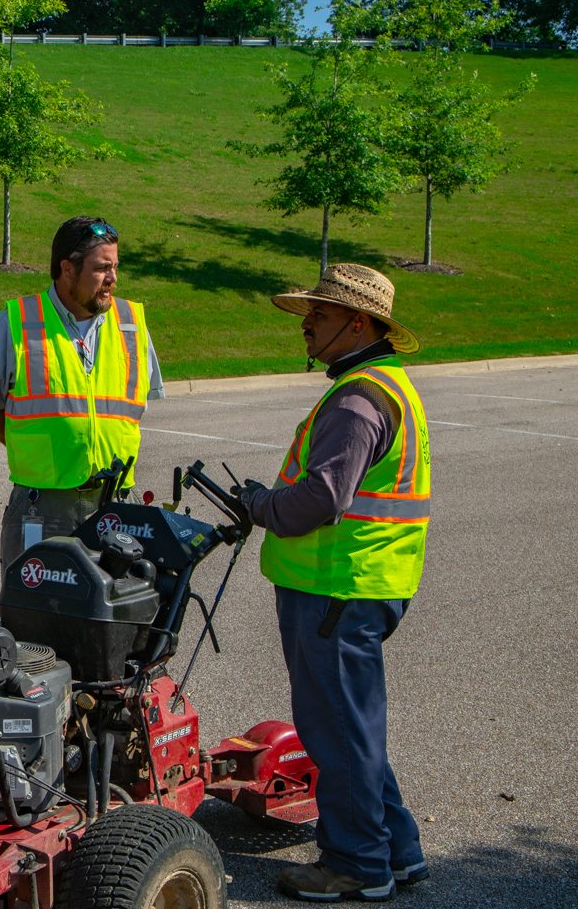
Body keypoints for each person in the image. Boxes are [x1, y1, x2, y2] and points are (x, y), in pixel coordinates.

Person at [237, 264, 431, 903]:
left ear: (358, 323)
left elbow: (318, 498)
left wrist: (263, 503)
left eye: (318, 315)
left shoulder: (356, 400)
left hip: (337, 589)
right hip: (363, 584)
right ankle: (397, 851)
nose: (306, 325)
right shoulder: (385, 385)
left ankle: (355, 865)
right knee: (356, 727)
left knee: (336, 730)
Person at [0, 216, 164, 575]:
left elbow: (133, 409)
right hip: (44, 508)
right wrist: (37, 448)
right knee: (38, 617)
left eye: (115, 267)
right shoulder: (17, 322)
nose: (113, 279)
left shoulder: (132, 323)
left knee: (114, 616)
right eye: (102, 268)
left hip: (116, 504)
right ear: (67, 269)